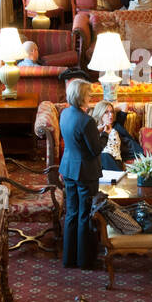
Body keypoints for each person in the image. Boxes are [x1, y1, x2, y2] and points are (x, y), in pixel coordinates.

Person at [59, 78, 107, 270]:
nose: (91, 97)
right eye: (89, 94)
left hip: (68, 167)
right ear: (80, 97)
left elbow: (77, 138)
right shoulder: (86, 120)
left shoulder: (65, 114)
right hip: (85, 172)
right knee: (85, 214)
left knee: (72, 212)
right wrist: (103, 134)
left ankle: (69, 258)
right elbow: (96, 150)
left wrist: (95, 133)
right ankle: (85, 260)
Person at [92, 100, 143, 171]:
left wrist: (110, 108)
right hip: (99, 162)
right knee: (103, 156)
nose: (111, 115)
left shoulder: (116, 125)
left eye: (112, 112)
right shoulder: (93, 128)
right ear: (100, 113)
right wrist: (97, 131)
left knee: (105, 156)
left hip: (115, 161)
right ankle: (120, 178)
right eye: (106, 112)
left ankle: (118, 177)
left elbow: (124, 105)